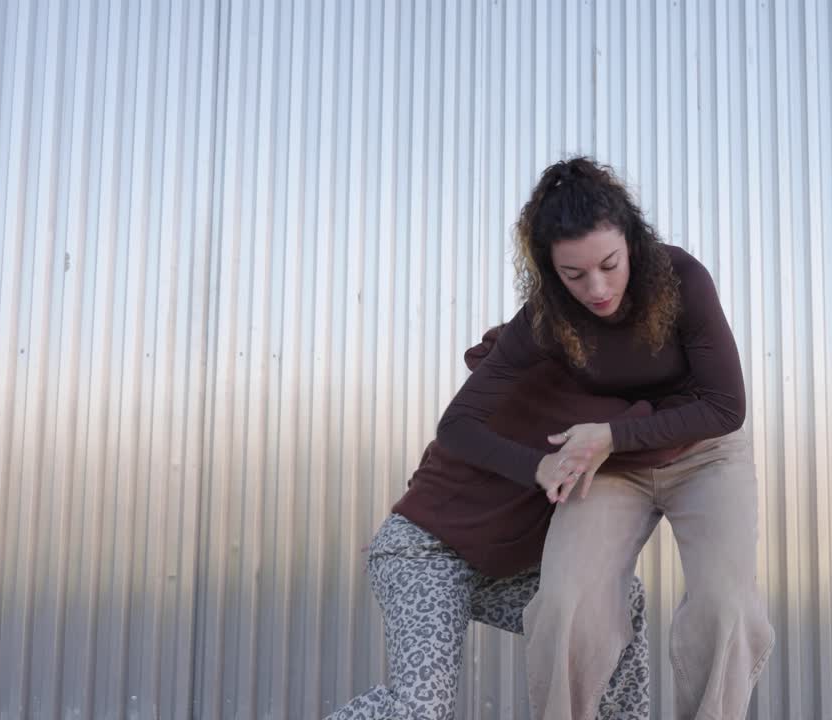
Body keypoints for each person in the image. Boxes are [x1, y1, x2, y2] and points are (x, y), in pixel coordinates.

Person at [435, 157, 775, 719]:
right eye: (574, 275)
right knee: (564, 608)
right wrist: (537, 468)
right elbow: (458, 425)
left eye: (609, 265)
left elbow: (725, 406)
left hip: (704, 453)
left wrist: (613, 435)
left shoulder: (681, 277)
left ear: (633, 244)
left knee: (726, 606)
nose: (596, 288)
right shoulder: (547, 316)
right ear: (550, 271)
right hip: (610, 464)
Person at [327, 325, 682, 720]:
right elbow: (451, 442)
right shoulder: (535, 368)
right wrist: (410, 518)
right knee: (421, 710)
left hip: (502, 571)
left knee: (621, 597)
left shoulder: (619, 403)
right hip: (426, 553)